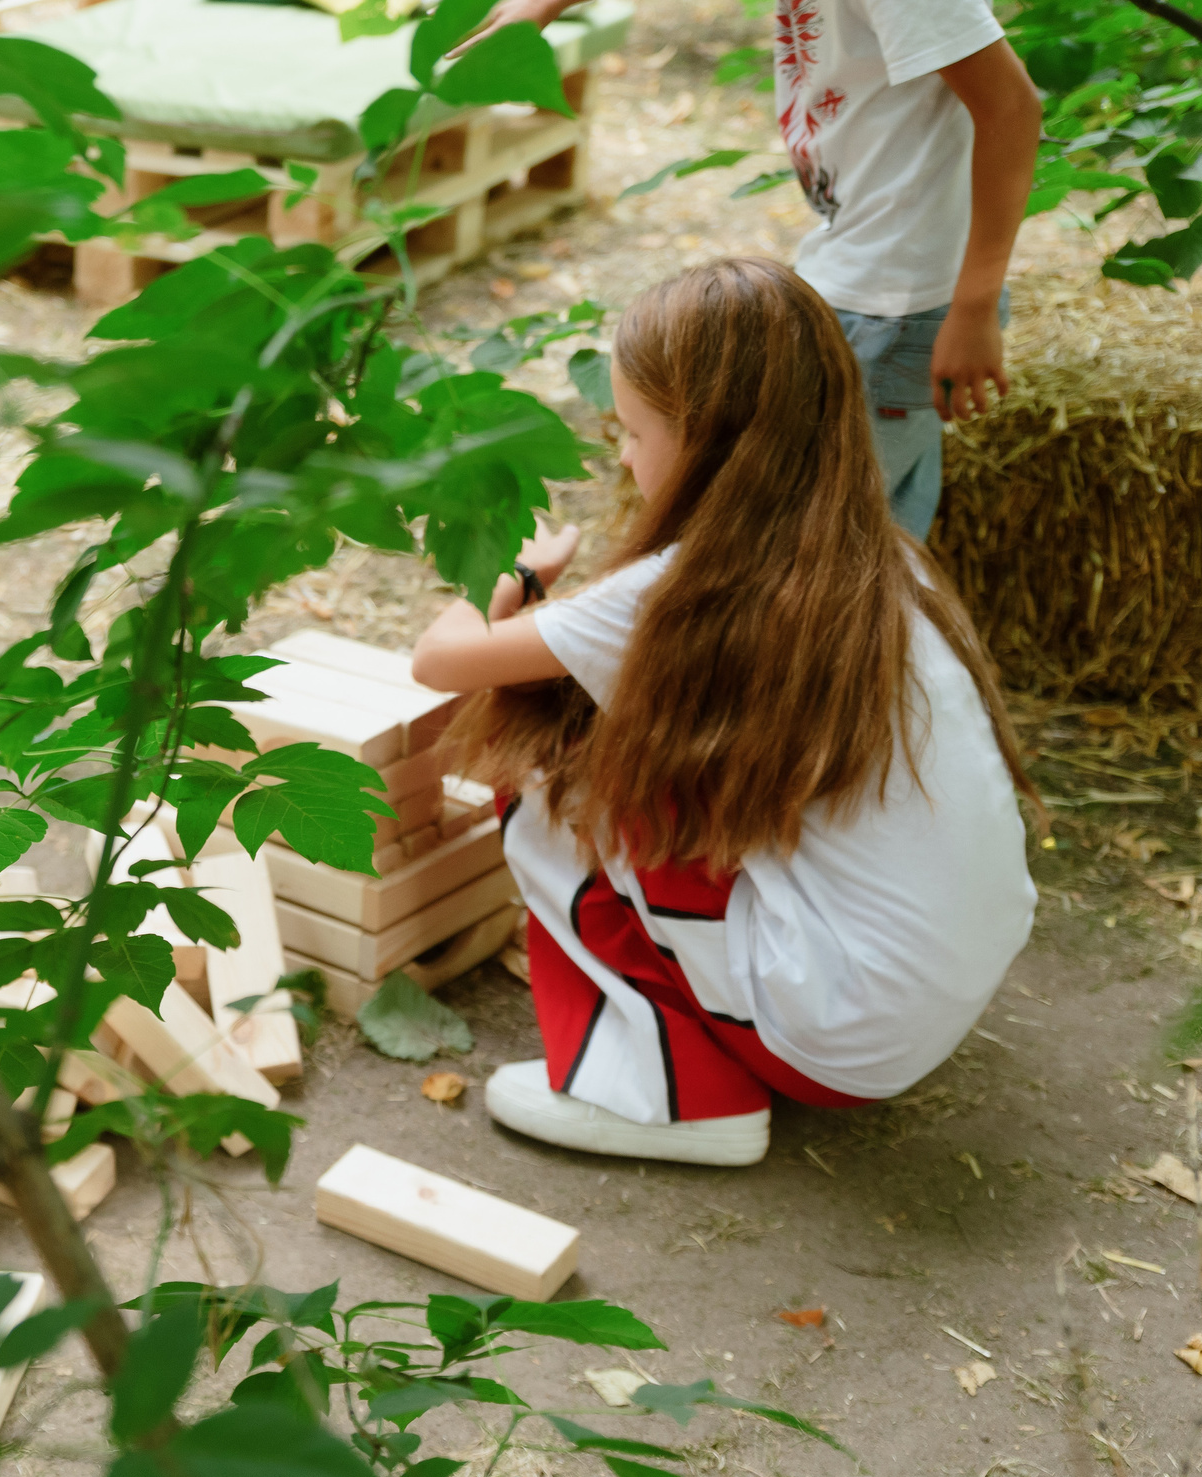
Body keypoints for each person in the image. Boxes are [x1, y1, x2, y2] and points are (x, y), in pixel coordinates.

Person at [410, 258, 1037, 1166]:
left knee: (547, 767)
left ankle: (670, 1094)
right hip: (928, 1000)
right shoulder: (888, 560)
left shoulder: (682, 592)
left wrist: (519, 572)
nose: (623, 457)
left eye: (631, 431)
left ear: (701, 438)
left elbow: (443, 662)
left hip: (838, 1044)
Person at [459, 0, 1043, 536]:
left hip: (897, 301)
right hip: (861, 273)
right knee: (856, 532)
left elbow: (1011, 109)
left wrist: (974, 306)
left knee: (823, 546)